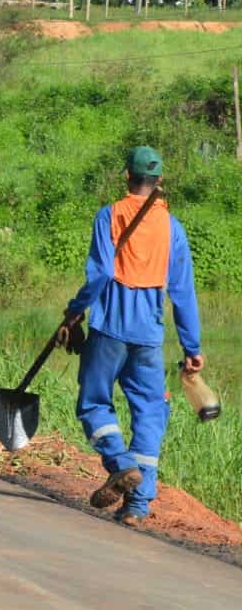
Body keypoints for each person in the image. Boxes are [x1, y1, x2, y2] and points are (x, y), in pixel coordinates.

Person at [63, 146, 202, 527]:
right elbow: (182, 291)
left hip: (108, 327)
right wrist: (192, 347)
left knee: (93, 403)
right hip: (149, 336)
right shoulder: (173, 227)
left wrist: (76, 310)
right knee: (150, 411)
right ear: (159, 181)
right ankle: (138, 505)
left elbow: (101, 273)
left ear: (127, 176)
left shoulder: (109, 215)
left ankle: (121, 464)